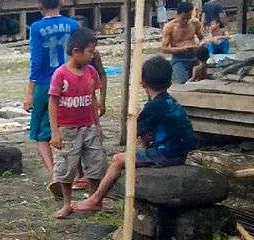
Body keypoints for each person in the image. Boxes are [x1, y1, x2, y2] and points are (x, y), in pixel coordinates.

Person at [74, 56, 196, 213]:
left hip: (167, 154)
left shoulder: (153, 107)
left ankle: (96, 199)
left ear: (143, 82)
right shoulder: (170, 102)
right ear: (169, 81)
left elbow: (134, 134)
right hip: (177, 151)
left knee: (118, 159)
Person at [23, 0, 78, 192]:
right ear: (60, 2)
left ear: (39, 5)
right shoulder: (73, 25)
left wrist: (29, 92)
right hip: (71, 82)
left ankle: (55, 173)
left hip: (46, 83)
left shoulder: (37, 28)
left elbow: (36, 62)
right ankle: (76, 173)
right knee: (71, 126)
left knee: (39, 132)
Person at [48, 28, 106, 219]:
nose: (93, 55)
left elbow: (92, 99)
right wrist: (55, 132)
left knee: (95, 163)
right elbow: (53, 103)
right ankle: (67, 203)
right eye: (90, 51)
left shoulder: (91, 72)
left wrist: (97, 126)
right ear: (76, 51)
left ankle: (94, 199)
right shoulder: (60, 75)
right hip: (67, 130)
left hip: (88, 126)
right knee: (66, 168)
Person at [161, 1, 203, 84]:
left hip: (194, 57)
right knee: (183, 82)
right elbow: (164, 49)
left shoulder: (195, 23)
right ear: (178, 15)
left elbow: (202, 38)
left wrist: (201, 45)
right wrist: (182, 49)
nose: (186, 21)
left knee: (200, 82)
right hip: (179, 59)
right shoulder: (170, 27)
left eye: (188, 18)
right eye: (183, 18)